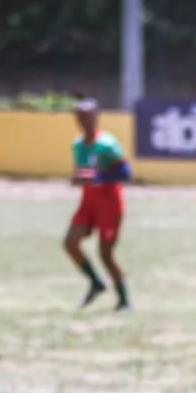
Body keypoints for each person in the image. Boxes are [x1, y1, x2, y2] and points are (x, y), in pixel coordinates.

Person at [64, 98, 132, 312]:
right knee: (70, 243)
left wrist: (98, 177)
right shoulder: (76, 144)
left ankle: (124, 300)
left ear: (96, 117)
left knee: (106, 254)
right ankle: (96, 282)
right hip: (88, 203)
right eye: (80, 117)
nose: (84, 121)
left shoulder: (107, 144)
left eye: (87, 116)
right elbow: (83, 172)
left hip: (109, 204)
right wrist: (77, 178)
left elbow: (124, 172)